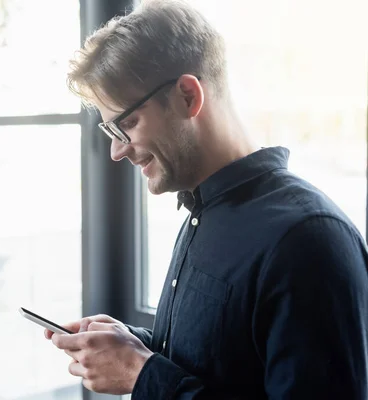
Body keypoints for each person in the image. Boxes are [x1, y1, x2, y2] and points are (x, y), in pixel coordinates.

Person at [43, 0, 368, 398]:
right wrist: (135, 346)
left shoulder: (307, 240)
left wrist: (141, 373)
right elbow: (227, 363)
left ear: (186, 96)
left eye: (126, 124)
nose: (116, 151)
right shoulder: (203, 212)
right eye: (110, 130)